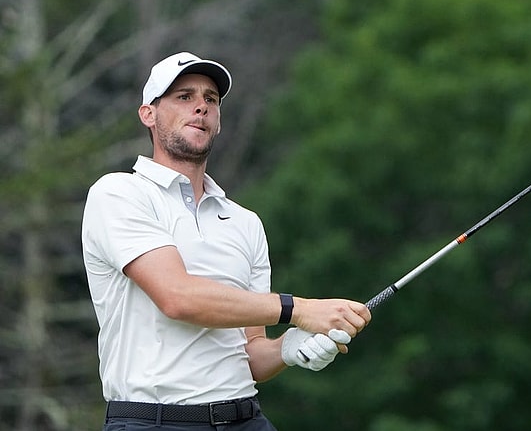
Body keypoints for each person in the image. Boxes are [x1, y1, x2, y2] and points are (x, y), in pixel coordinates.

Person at [81, 52, 372, 430]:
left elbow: (251, 354)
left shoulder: (244, 222)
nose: (200, 106)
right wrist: (298, 310)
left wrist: (288, 348)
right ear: (148, 114)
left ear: (217, 121)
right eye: (183, 97)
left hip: (245, 418)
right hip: (153, 422)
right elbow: (178, 298)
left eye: (210, 100)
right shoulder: (119, 193)